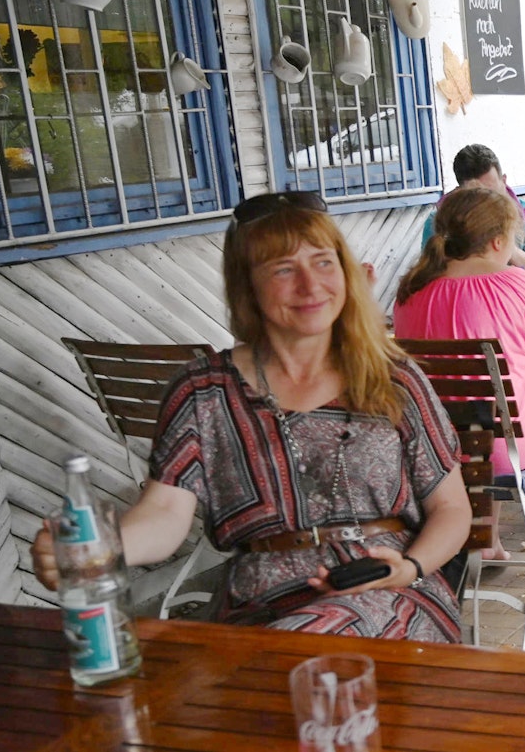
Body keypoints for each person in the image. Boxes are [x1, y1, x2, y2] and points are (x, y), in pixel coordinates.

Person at [29, 192, 471, 641]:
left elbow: (452, 508)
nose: (310, 285)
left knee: (303, 645)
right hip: (259, 599)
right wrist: (102, 548)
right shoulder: (203, 391)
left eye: (323, 262)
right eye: (283, 269)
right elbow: (163, 513)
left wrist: (411, 567)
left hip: (389, 590)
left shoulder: (393, 378)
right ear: (248, 286)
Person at [394, 186, 525, 562]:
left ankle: (488, 541)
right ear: (499, 242)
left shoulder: (410, 290)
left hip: (440, 450)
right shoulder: (516, 283)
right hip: (511, 453)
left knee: (478, 409)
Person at [421, 144, 525, 297]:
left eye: (492, 192)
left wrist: (508, 246)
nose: (488, 203)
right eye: (479, 196)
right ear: (461, 192)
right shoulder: (440, 221)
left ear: (504, 180)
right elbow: (430, 283)